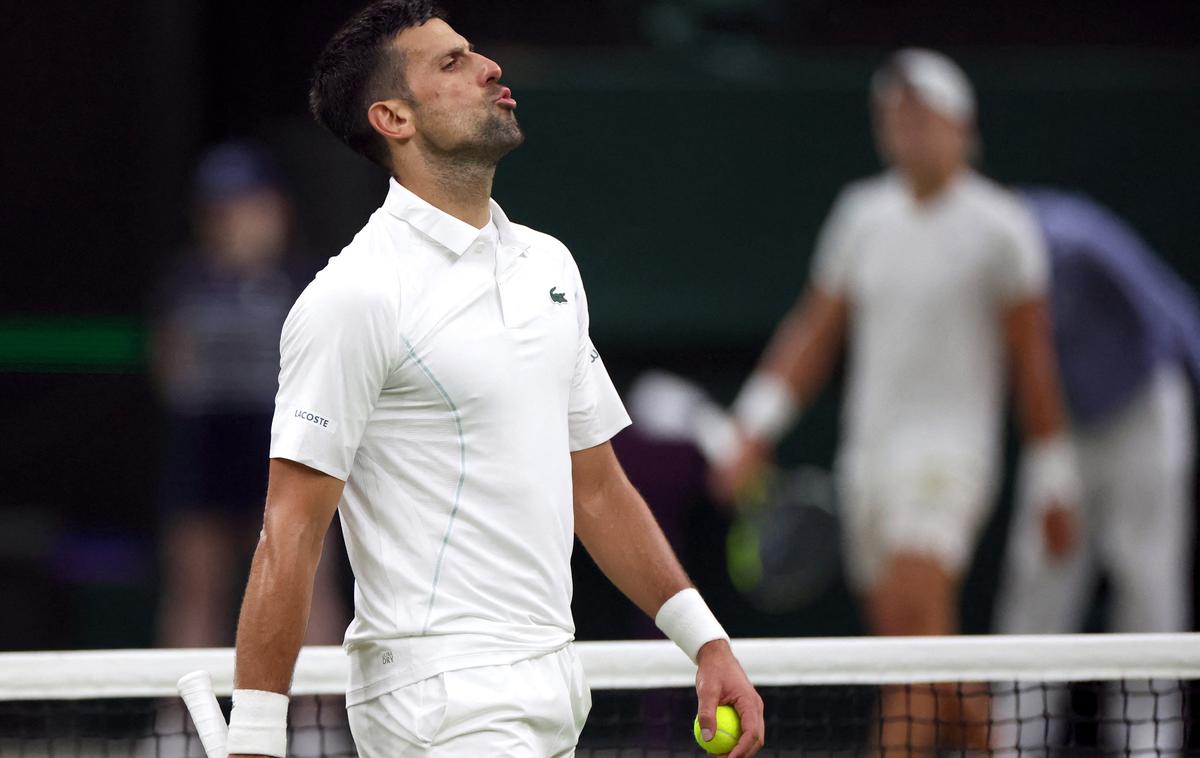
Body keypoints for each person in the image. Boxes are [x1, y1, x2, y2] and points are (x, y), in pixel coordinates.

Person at [225, 3, 764, 757]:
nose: (489, 69)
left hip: (550, 685)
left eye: (474, 52)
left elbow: (598, 488)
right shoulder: (354, 296)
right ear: (393, 118)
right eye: (450, 63)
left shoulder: (549, 267)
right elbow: (291, 529)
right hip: (438, 700)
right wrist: (254, 737)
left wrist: (705, 642)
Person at [711, 49, 1080, 755]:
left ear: (960, 127)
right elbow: (814, 332)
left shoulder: (1003, 227)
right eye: (893, 115)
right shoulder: (861, 216)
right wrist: (752, 425)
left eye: (921, 115)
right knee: (917, 661)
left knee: (917, 642)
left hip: (950, 461)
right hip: (870, 462)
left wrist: (1055, 475)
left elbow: (1034, 363)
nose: (906, 128)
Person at [992, 188, 1200, 754]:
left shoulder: (1080, 240)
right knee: (1038, 582)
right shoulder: (981, 268)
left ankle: (1151, 745)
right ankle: (1016, 744)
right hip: (1064, 427)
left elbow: (1174, 310)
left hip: (1144, 412)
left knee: (1148, 581)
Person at [152, 141, 346, 648]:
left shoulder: (310, 283)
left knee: (305, 582)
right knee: (197, 586)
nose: (235, 221)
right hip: (205, 446)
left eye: (248, 205)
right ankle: (184, 721)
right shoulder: (186, 283)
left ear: (277, 210)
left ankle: (311, 722)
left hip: (286, 442)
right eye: (221, 210)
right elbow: (170, 371)